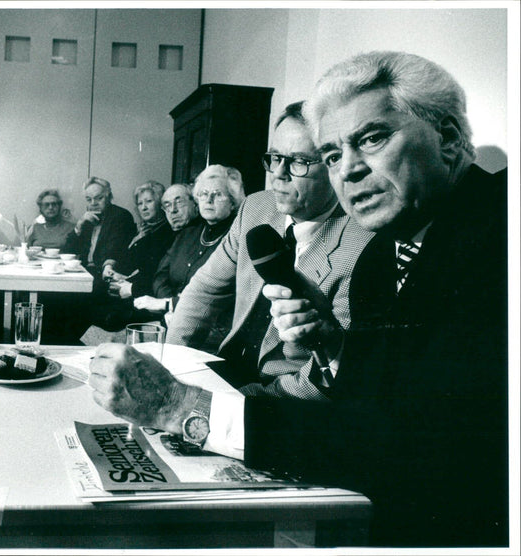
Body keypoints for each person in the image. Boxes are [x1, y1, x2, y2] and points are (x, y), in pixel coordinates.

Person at [88, 51, 508, 547]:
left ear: (450, 139)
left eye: (371, 138)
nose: (348, 171)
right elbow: (380, 393)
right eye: (331, 155)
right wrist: (333, 348)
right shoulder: (383, 253)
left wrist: (182, 408)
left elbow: (399, 444)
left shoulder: (500, 235)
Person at [166, 102, 374, 398]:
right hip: (228, 371)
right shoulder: (256, 207)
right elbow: (204, 291)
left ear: (334, 164)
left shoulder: (364, 244)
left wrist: (233, 406)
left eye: (298, 161)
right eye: (275, 157)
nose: (278, 174)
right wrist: (172, 367)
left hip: (282, 400)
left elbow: (327, 376)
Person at [132, 166, 243, 338]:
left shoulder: (237, 238)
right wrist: (167, 307)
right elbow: (161, 276)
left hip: (212, 329)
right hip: (170, 318)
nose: (209, 200)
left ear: (233, 201)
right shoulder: (188, 233)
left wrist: (170, 305)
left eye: (218, 194)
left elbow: (226, 293)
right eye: (204, 194)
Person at [92, 181, 176, 331]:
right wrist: (114, 271)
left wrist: (126, 282)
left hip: (143, 298)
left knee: (92, 313)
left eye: (149, 201)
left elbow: (154, 274)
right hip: (126, 288)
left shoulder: (166, 233)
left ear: (161, 204)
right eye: (140, 203)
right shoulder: (144, 230)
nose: (143, 207)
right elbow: (126, 258)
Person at [72, 177, 137, 278]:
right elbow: (68, 251)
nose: (93, 203)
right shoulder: (88, 219)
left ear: (109, 197)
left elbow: (115, 249)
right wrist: (79, 226)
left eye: (99, 198)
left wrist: (107, 266)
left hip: (104, 272)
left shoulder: (121, 216)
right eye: (89, 199)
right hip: (85, 270)